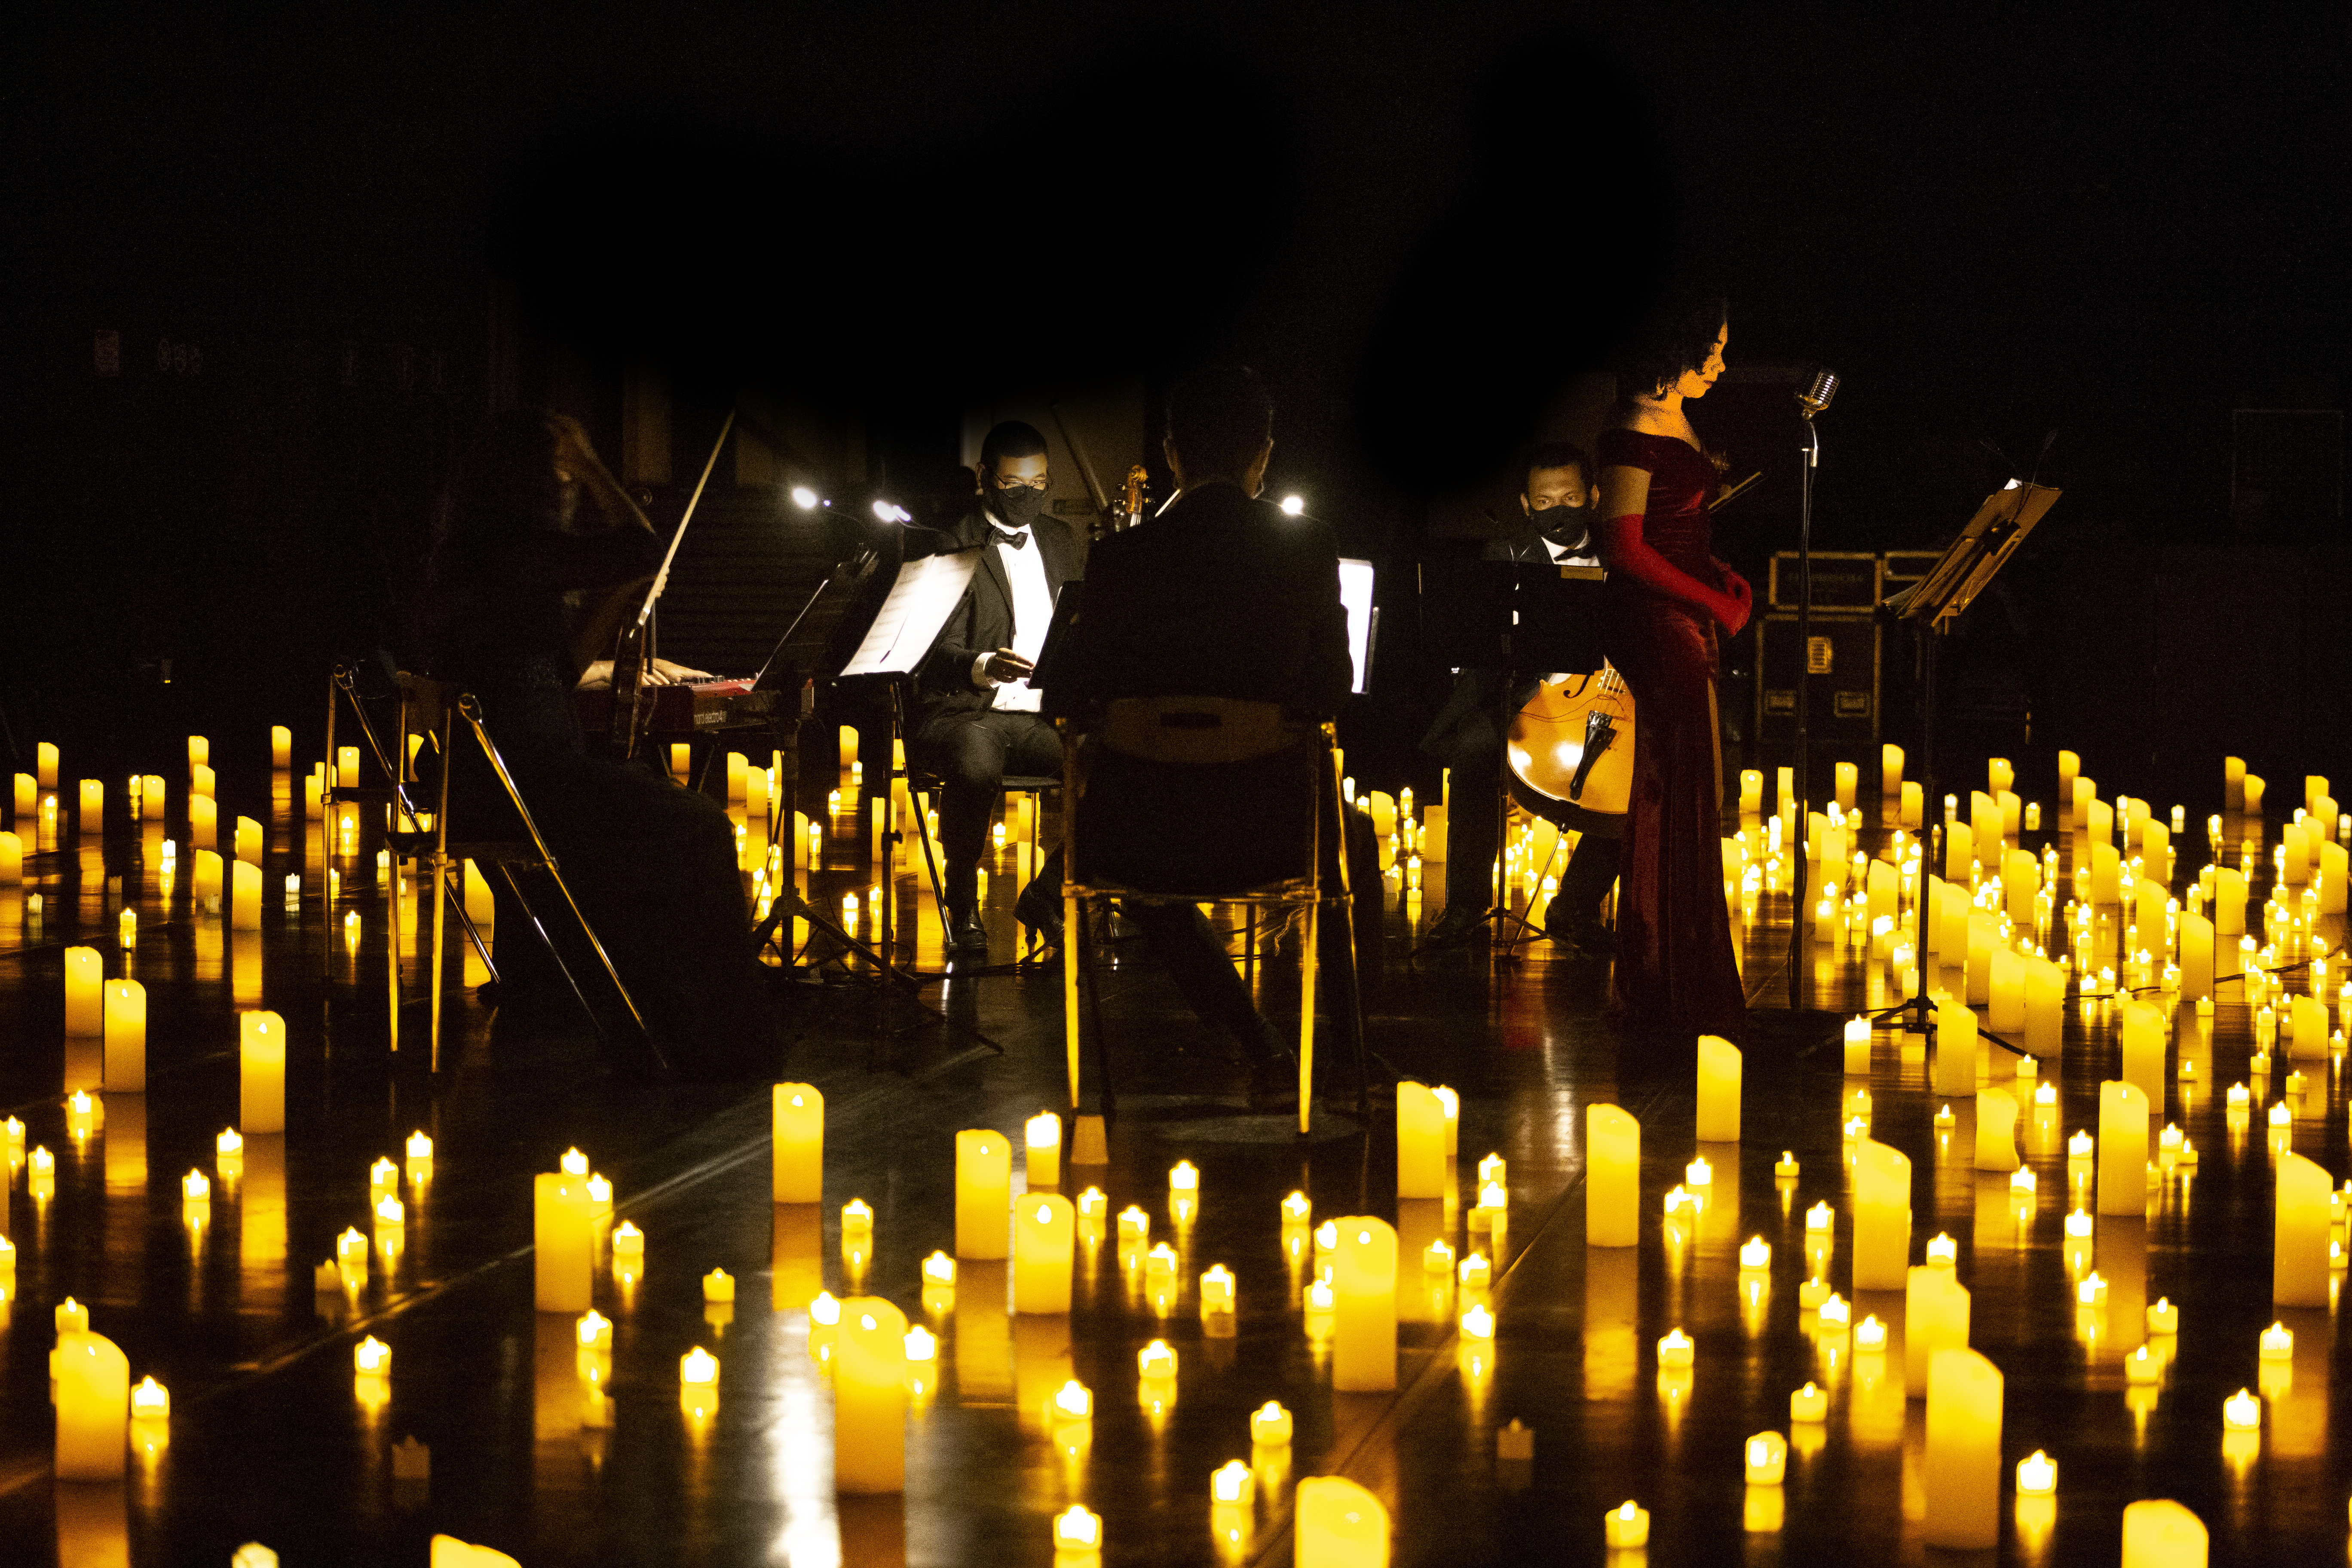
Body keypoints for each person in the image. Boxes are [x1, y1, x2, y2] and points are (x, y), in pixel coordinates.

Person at [417, 409, 781, 1078]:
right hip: (522, 783)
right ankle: (722, 1028)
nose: (571, 493)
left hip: (503, 776)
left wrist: (617, 604)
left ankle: (671, 1013)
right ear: (526, 484)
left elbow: (553, 672)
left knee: (654, 809)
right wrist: (592, 465)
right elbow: (642, 547)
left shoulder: (484, 555)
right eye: (561, 479)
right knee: (700, 826)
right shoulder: (515, 549)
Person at [1052, 365, 1360, 1110]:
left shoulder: (1120, 558)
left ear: (1169, 453)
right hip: (1272, 833)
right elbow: (1331, 690)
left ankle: (1257, 1038)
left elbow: (1065, 695)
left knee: (1115, 850)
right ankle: (1342, 1060)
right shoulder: (1307, 550)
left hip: (1139, 838)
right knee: (1355, 844)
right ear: (1263, 453)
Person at [1594, 294, 1751, 1047]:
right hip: (1654, 623)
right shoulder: (1629, 431)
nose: (1721, 363)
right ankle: (1662, 977)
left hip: (1683, 612)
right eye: (1711, 349)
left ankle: (1684, 970)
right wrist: (1709, 603)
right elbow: (1624, 548)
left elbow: (1676, 529)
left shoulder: (1676, 418)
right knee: (1672, 787)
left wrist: (1716, 577)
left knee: (1694, 785)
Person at [1419, 441, 1624, 954]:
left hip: (1601, 697)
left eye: (1571, 496)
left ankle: (1574, 907)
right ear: (1527, 504)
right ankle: (1466, 907)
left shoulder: (1619, 551)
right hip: (1527, 696)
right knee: (1472, 750)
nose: (1558, 508)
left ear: (1593, 496)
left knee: (1637, 782)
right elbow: (1489, 640)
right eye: (1545, 499)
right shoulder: (1507, 553)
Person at [907, 420, 1081, 958]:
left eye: (1039, 483)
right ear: (985, 478)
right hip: (963, 712)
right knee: (977, 760)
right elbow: (930, 652)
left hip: (1036, 717)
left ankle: (1046, 895)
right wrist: (985, 664)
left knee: (1110, 767)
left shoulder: (1061, 540)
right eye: (1013, 485)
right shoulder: (951, 542)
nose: (1028, 494)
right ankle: (961, 898)